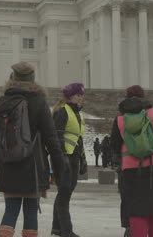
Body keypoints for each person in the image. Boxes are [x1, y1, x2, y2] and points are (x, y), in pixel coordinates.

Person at [0, 62, 69, 237]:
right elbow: (51, 139)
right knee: (31, 212)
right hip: (33, 166)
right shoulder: (39, 102)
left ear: (13, 78)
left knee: (10, 210)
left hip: (8, 164)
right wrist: (59, 169)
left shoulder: (2, 101)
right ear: (32, 79)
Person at [110, 85, 153, 237]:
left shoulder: (120, 119)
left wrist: (119, 158)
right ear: (143, 96)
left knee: (136, 210)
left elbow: (114, 144)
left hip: (132, 169)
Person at [51, 82, 88, 237]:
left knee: (65, 193)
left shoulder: (78, 113)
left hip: (74, 158)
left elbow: (78, 137)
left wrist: (83, 158)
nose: (80, 98)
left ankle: (56, 228)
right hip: (64, 159)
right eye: (78, 95)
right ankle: (66, 231)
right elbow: (57, 137)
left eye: (81, 95)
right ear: (70, 96)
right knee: (64, 193)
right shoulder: (63, 112)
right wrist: (62, 158)